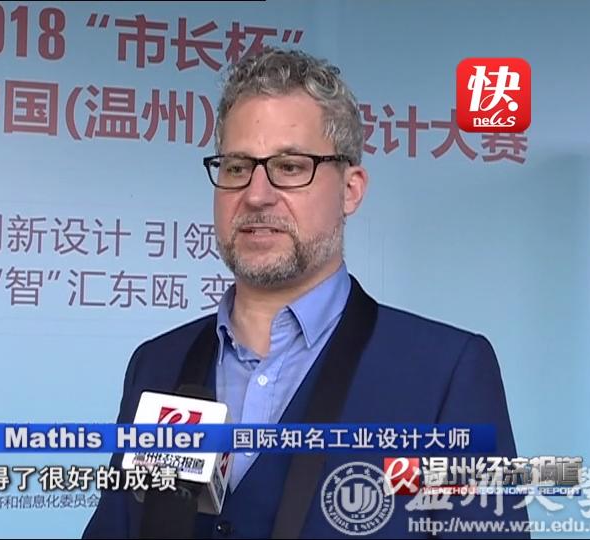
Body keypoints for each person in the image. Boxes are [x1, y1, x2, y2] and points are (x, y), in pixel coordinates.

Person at [83, 47, 529, 539]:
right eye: (237, 167)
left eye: (291, 167)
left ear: (351, 190)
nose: (256, 195)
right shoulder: (158, 365)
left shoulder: (445, 373)